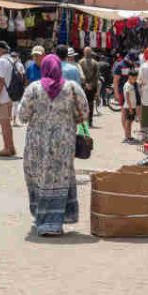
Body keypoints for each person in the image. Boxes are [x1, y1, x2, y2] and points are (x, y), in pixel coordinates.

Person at [19, 54, 88, 236]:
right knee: (60, 178)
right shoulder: (72, 88)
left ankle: (42, 220)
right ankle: (56, 221)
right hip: (63, 143)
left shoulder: (33, 89)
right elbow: (85, 112)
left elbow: (22, 115)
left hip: (37, 143)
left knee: (39, 178)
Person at [0, 41, 17, 157]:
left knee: (4, 124)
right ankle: (11, 147)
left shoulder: (1, 61)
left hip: (2, 98)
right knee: (7, 124)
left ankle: (7, 148)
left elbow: (0, 81)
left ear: (1, 50)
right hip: (8, 97)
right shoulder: (10, 60)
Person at [78, 46, 101, 126]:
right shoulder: (81, 62)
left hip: (90, 86)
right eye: (86, 52)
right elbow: (80, 74)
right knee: (84, 104)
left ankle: (89, 121)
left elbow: (97, 75)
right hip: (84, 86)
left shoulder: (94, 63)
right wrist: (86, 84)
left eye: (88, 52)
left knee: (90, 104)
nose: (87, 53)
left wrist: (90, 84)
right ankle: (84, 121)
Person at [122, 71, 139, 142]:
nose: (135, 80)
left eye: (136, 78)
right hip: (129, 107)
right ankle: (127, 137)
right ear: (129, 77)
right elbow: (127, 98)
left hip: (132, 107)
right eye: (134, 78)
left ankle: (129, 136)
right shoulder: (128, 85)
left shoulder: (132, 85)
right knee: (128, 122)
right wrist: (130, 108)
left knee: (130, 122)